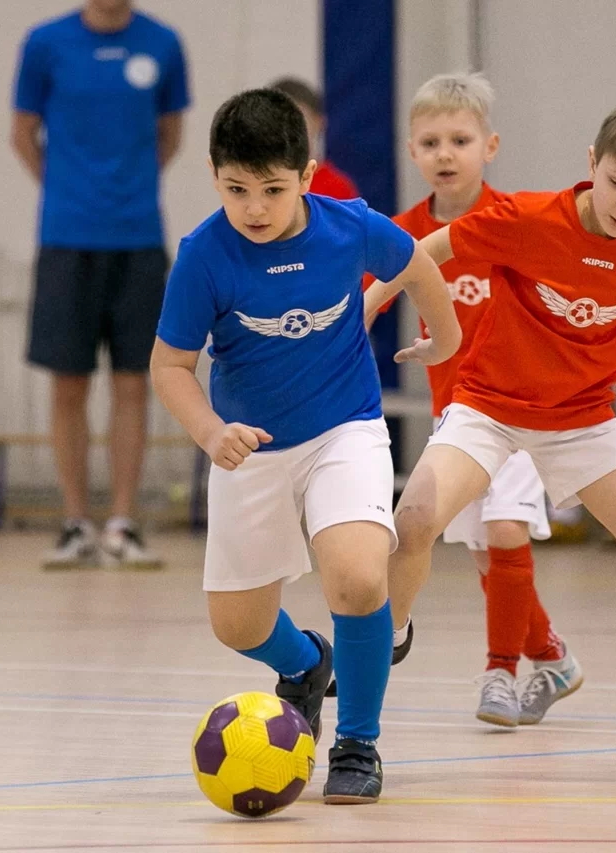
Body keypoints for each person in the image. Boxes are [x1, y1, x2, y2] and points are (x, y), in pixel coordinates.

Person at [367, 97, 616, 781]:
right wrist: (377, 295)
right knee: (412, 522)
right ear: (593, 164)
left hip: (583, 419)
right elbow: (434, 246)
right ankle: (393, 634)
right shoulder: (530, 218)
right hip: (489, 406)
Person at [150, 89, 460, 803]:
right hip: (248, 448)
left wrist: (447, 339)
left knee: (356, 576)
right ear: (212, 175)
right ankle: (306, 662)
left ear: (307, 177)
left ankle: (358, 741)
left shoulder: (349, 226)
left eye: (271, 190)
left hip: (343, 428)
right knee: (237, 624)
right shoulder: (203, 255)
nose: (254, 207)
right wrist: (209, 431)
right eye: (236, 189)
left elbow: (417, 264)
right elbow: (169, 367)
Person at [366, 73, 580, 729]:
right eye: (431, 141)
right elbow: (363, 301)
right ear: (411, 152)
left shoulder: (517, 221)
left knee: (506, 531)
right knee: (488, 556)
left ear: (490, 146)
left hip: (519, 408)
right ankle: (552, 656)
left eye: (460, 139)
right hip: (455, 419)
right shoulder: (400, 231)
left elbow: (576, 280)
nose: (445, 153)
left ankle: (500, 673)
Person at [12, 0, 189, 568]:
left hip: (138, 237)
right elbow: (22, 134)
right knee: (69, 384)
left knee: (135, 381)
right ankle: (74, 523)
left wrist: (123, 190)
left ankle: (122, 523)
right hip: (67, 238)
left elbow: (169, 134)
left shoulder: (163, 43)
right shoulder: (45, 43)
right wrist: (70, 190)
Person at [269, 77, 359, 200]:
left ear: (318, 122)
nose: (287, 129)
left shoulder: (338, 189)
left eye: (297, 120)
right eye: (278, 120)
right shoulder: (252, 184)